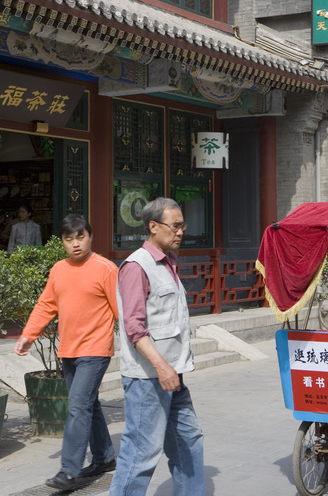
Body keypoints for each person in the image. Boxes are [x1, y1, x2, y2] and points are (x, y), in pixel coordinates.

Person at [14, 214, 118, 492]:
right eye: (69, 239)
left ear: (90, 236)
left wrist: (140, 346)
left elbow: (121, 309)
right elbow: (46, 305)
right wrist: (28, 335)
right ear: (62, 241)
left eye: (80, 237)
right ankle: (105, 457)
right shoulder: (58, 269)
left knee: (78, 407)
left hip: (96, 349)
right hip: (69, 349)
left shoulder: (106, 269)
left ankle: (69, 470)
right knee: (89, 404)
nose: (75, 244)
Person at [109, 197, 204, 496]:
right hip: (148, 378)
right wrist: (162, 367)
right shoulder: (137, 266)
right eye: (175, 226)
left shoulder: (168, 262)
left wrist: (170, 369)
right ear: (153, 226)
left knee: (189, 440)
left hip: (172, 374)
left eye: (182, 225)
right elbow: (134, 328)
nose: (181, 232)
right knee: (141, 452)